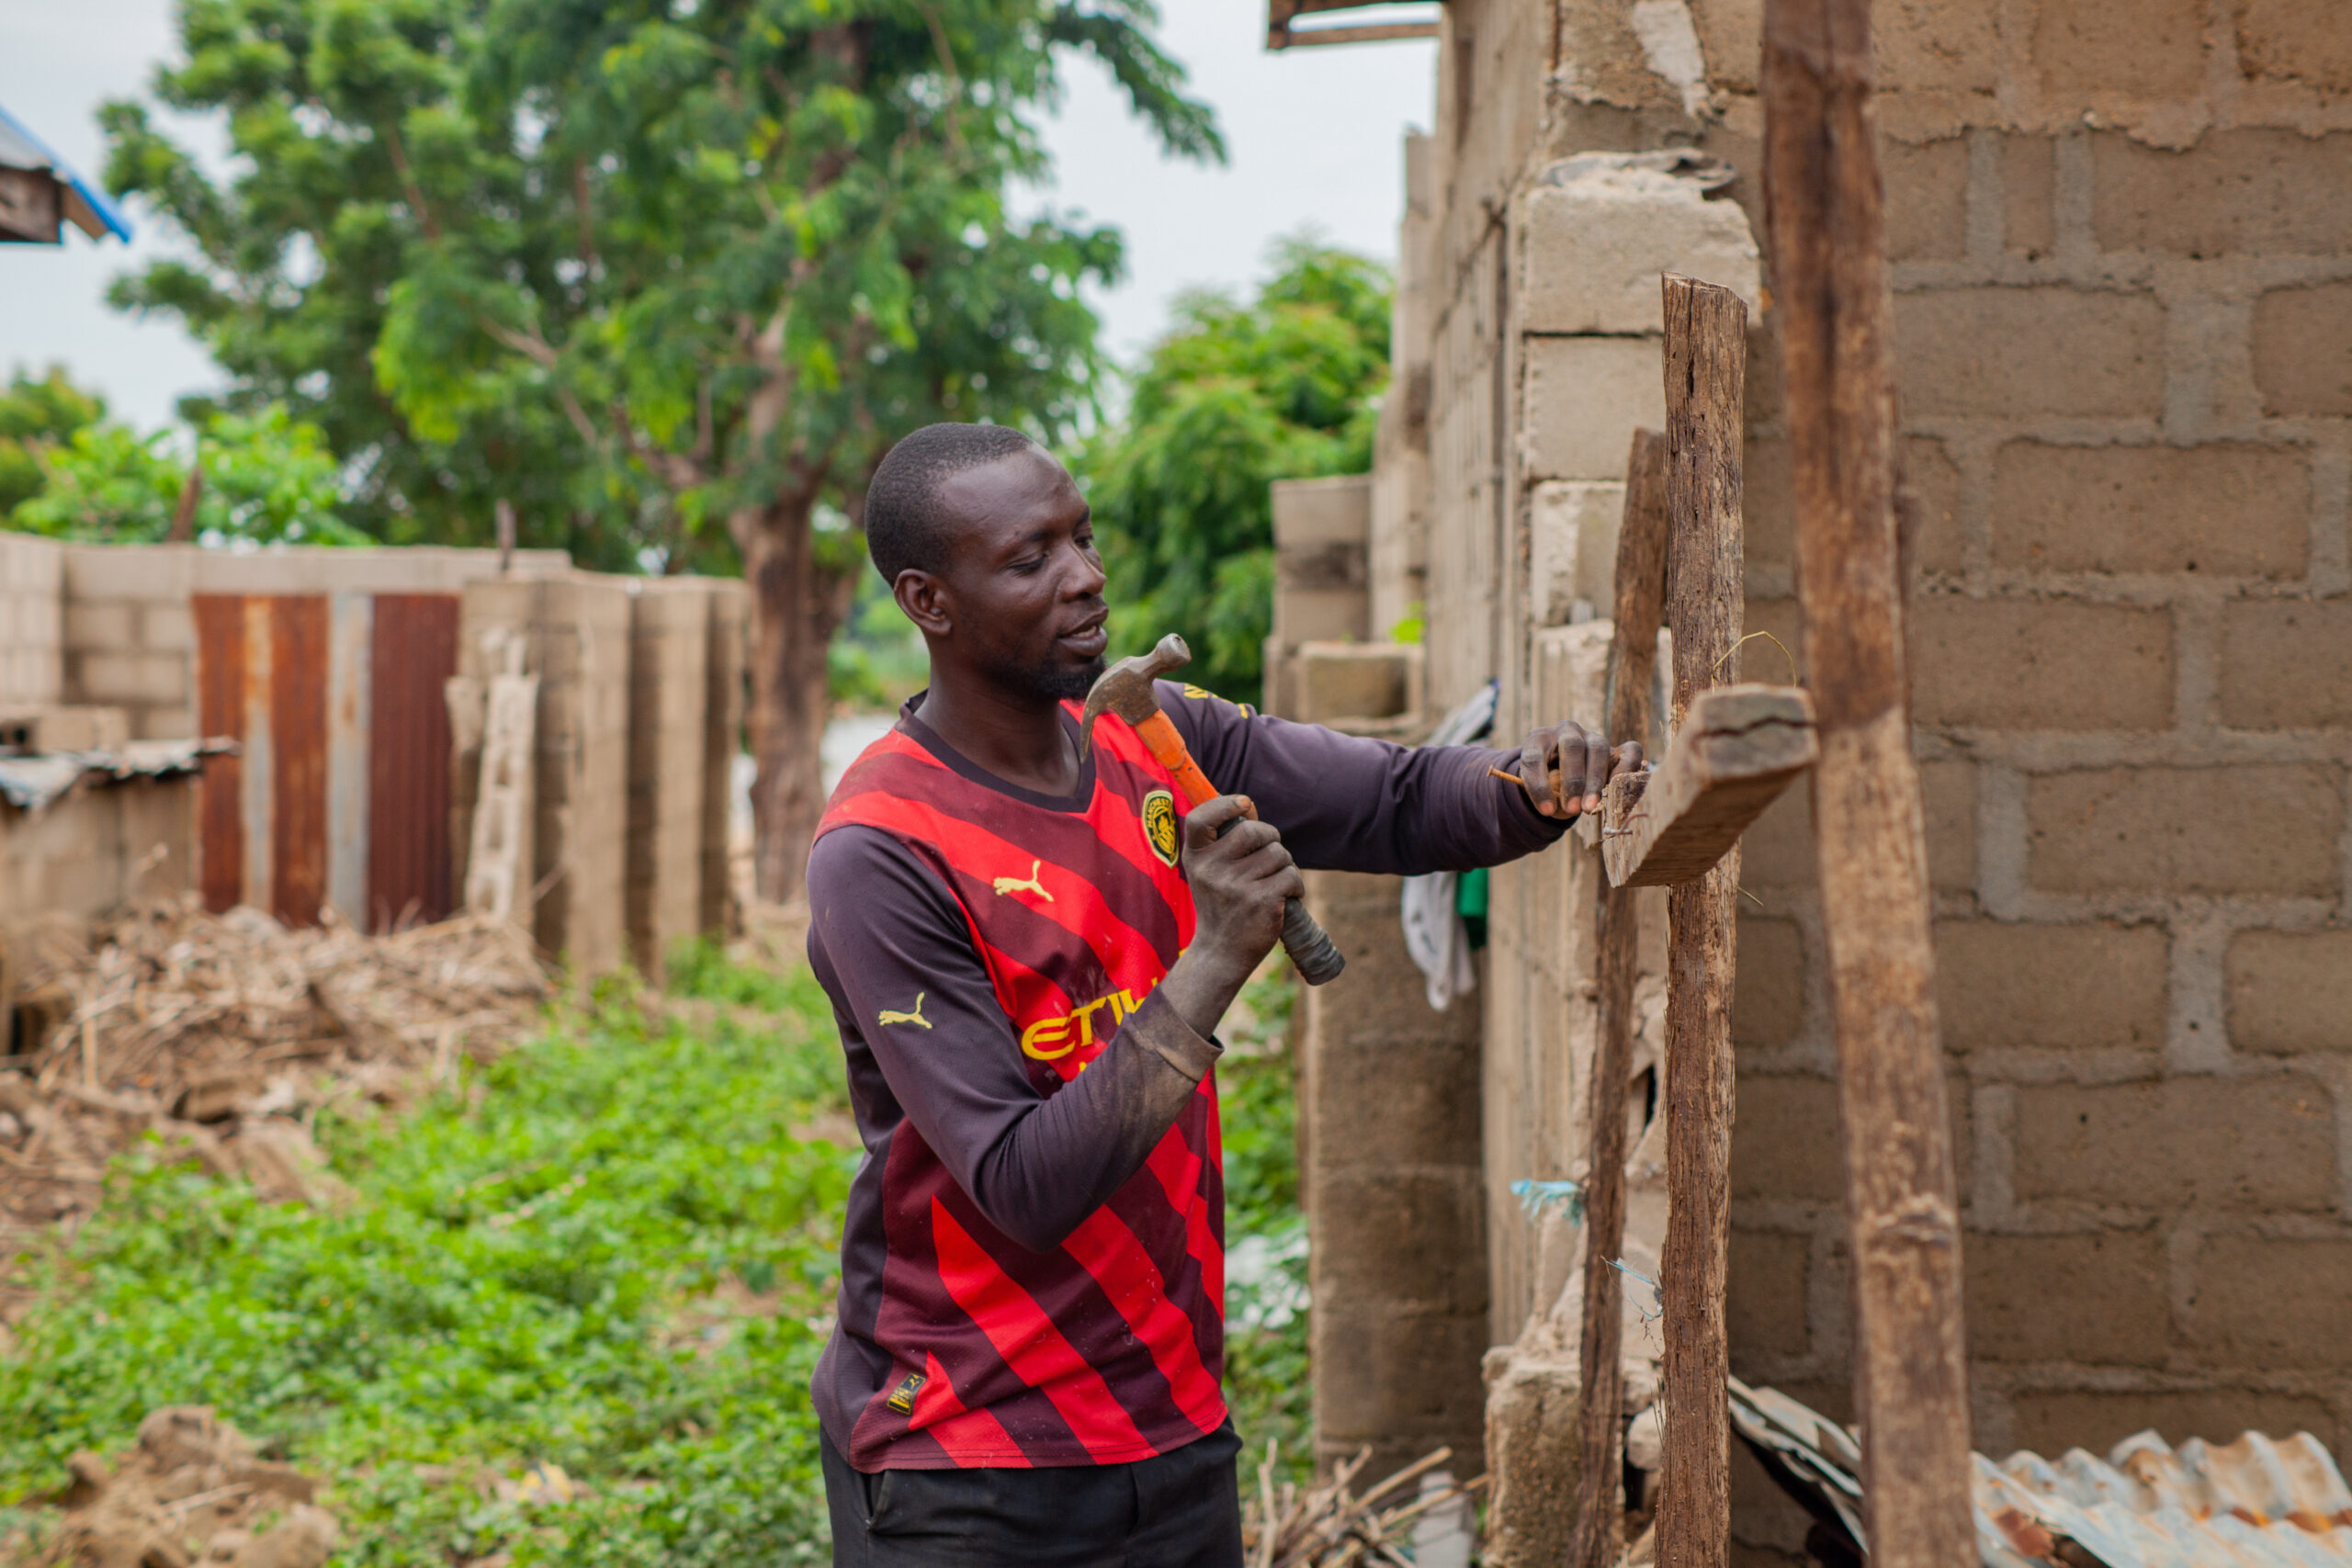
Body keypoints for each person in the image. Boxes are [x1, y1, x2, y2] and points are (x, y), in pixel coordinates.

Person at [806, 423, 1642, 1567]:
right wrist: (1214, 958)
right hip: (970, 1458)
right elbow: (1017, 1182)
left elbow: (1395, 799)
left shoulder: (1150, 734)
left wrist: (1532, 781)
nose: (1086, 575)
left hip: (1175, 1420)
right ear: (928, 601)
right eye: (1029, 558)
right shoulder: (883, 850)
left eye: (1083, 537)